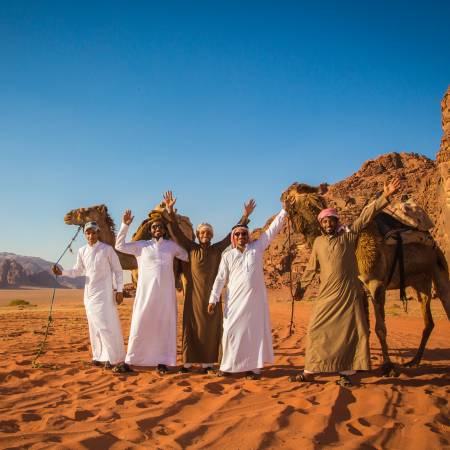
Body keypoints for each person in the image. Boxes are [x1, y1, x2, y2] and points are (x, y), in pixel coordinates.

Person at [293, 178, 401, 387]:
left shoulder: (348, 237)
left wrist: (385, 196)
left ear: (336, 221)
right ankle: (310, 370)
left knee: (348, 334)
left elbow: (364, 217)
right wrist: (302, 286)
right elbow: (311, 267)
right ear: (321, 224)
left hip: (348, 295)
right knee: (316, 330)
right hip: (326, 296)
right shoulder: (318, 242)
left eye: (331, 220)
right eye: (324, 222)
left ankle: (345, 373)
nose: (328, 224)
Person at [163, 191, 256, 374]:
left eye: (208, 232)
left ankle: (208, 363)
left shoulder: (217, 249)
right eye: (202, 232)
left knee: (211, 328)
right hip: (193, 295)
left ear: (211, 235)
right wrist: (170, 210)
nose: (205, 234)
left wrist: (245, 216)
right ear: (197, 235)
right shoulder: (191, 248)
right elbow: (176, 232)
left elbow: (232, 233)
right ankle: (188, 363)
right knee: (191, 326)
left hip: (212, 295)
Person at [208, 198, 290, 380]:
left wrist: (283, 212)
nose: (240, 237)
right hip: (234, 302)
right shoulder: (227, 255)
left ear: (248, 236)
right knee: (230, 331)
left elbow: (272, 231)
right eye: (237, 235)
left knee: (254, 334)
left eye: (243, 234)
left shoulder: (257, 248)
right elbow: (220, 278)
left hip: (254, 303)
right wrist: (213, 299)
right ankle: (228, 366)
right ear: (233, 238)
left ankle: (254, 369)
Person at [115, 208, 188, 374]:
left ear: (164, 230)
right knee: (140, 323)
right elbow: (119, 245)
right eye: (154, 227)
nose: (157, 229)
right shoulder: (141, 246)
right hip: (145, 294)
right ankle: (131, 360)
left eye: (160, 227)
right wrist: (124, 225)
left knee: (164, 325)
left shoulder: (171, 246)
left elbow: (188, 255)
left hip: (166, 295)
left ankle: (164, 361)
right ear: (150, 230)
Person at [53, 221, 130, 373]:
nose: (91, 235)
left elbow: (118, 270)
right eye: (88, 232)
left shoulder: (107, 250)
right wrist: (62, 272)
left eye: (93, 232)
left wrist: (119, 290)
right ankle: (99, 356)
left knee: (105, 325)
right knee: (94, 327)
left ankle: (113, 358)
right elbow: (78, 270)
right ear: (85, 234)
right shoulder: (82, 251)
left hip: (104, 294)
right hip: (89, 294)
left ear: (98, 233)